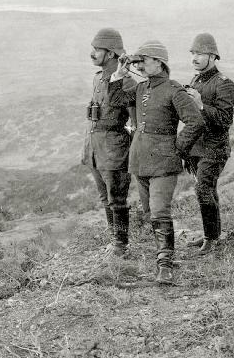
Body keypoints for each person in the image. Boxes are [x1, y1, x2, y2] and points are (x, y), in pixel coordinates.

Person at [111, 40, 205, 284]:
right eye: (138, 61)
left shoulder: (174, 90)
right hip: (140, 159)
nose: (139, 65)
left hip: (163, 162)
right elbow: (117, 100)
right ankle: (166, 257)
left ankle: (164, 265)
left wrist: (178, 148)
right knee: (150, 212)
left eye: (144, 60)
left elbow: (195, 122)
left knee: (160, 211)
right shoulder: (143, 88)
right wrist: (118, 75)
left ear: (159, 62)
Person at [82, 28, 136, 256]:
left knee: (117, 199)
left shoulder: (127, 82)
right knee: (105, 198)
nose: (92, 53)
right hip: (96, 148)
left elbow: (134, 121)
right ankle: (114, 239)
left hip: (115, 150)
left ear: (112, 53)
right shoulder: (98, 77)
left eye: (97, 50)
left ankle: (121, 244)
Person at [185, 33, 234, 255]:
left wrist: (200, 105)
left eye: (200, 53)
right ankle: (212, 235)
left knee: (203, 188)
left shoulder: (224, 84)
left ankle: (211, 239)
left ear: (213, 56)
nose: (194, 58)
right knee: (208, 189)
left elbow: (225, 120)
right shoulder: (197, 80)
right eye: (193, 53)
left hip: (215, 147)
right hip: (198, 147)